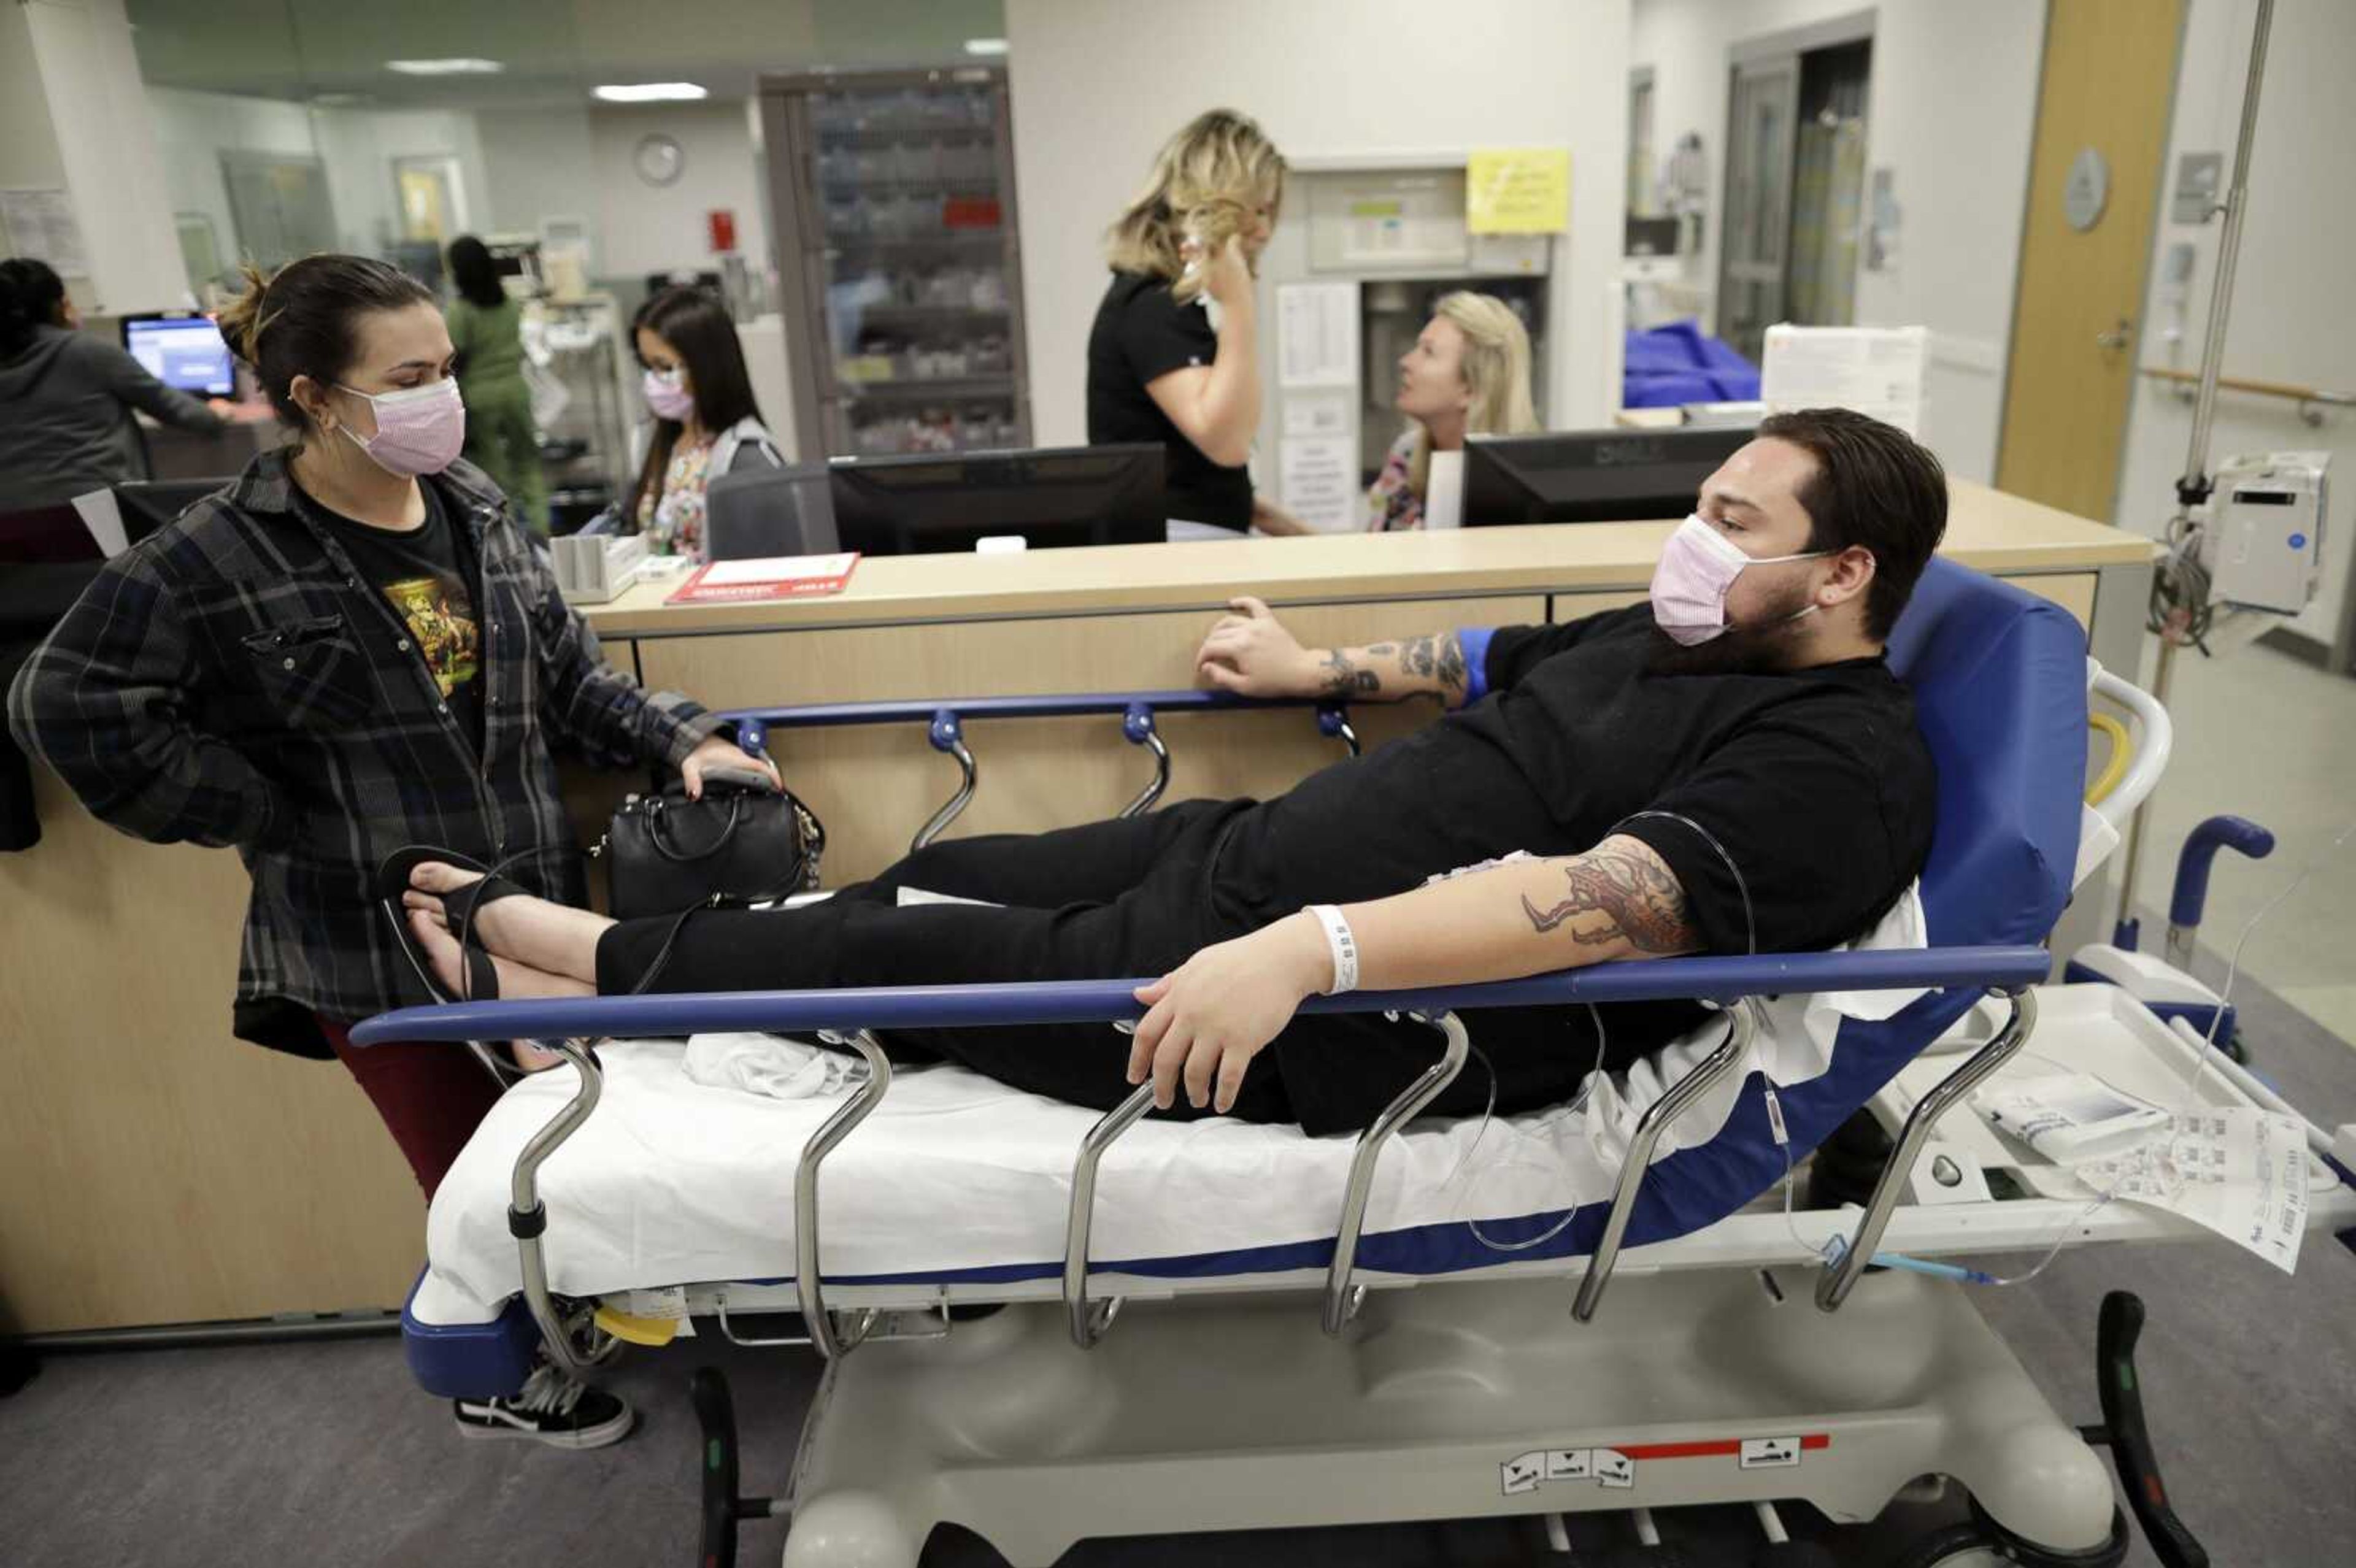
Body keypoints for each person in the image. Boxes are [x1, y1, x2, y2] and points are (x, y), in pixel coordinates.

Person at [392, 409, 1947, 1133]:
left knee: (910, 945)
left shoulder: (1834, 762)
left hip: (1341, 1012)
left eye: (1734, 525)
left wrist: (1298, 952)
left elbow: (1606, 903)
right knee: (946, 874)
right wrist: (1315, 674)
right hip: (1251, 861)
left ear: (1842, 573)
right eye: (1702, 500)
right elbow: (1486, 666)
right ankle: (654, 1010)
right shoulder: (1684, 634)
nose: (1691, 538)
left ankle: (576, 972)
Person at [7, 253, 776, 1448]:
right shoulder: (221, 552)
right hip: (362, 932)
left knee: (555, 1150)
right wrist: (251, 809)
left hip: (525, 902)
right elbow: (65, 702)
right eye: (407, 377)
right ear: (316, 398)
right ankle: (498, 1374)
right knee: (473, 1177)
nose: (440, 399)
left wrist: (686, 740)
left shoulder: (470, 505)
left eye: (446, 371)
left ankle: (571, 1327)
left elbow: (567, 682)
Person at [1088, 109, 1310, 538]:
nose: (1264, 232)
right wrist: (1240, 303)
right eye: (1256, 211)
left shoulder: (1172, 304)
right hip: (1174, 548)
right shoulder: (1152, 302)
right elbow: (1225, 441)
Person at [0, 256, 234, 521]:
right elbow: (180, 412)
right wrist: (216, 413)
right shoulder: (87, 352)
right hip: (93, 515)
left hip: (11, 526)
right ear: (58, 306)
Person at [624, 285, 784, 559]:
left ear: (705, 366)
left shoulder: (747, 456)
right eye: (647, 366)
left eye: (664, 367)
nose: (652, 380)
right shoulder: (655, 443)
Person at [1367, 292, 1539, 531]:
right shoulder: (1406, 454)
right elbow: (1368, 559)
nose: (1406, 362)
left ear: (1471, 387)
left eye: (1428, 352)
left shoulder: (1524, 487)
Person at [443, 235, 549, 534]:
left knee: (495, 470)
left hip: (481, 395)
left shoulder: (460, 312)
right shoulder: (510, 304)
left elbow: (454, 359)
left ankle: (510, 533)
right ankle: (542, 528)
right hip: (516, 391)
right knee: (528, 462)